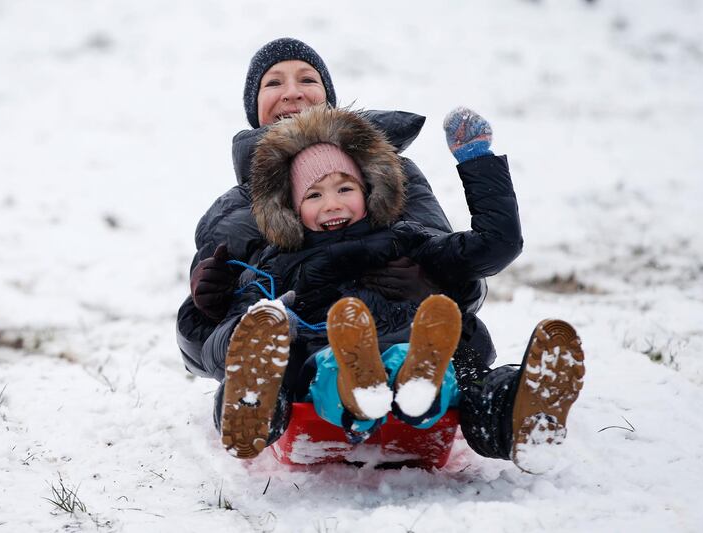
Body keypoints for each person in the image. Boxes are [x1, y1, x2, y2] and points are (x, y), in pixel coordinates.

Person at [209, 104, 585, 474]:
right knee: (315, 369)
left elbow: (493, 246)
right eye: (314, 195)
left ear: (369, 189)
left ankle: (521, 411)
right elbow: (244, 324)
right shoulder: (283, 262)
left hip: (420, 349)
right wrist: (277, 319)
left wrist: (477, 160)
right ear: (291, 208)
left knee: (473, 388)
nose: (333, 203)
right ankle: (265, 407)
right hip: (330, 354)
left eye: (344, 187)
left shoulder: (406, 239)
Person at [176, 37, 498, 389]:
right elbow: (198, 348)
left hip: (406, 336)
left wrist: (434, 286)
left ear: (329, 98)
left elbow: (462, 267)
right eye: (273, 83)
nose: (293, 93)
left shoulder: (392, 175)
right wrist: (210, 304)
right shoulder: (232, 212)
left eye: (307, 80)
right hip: (302, 358)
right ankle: (268, 406)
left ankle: (496, 405)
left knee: (465, 349)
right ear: (253, 109)